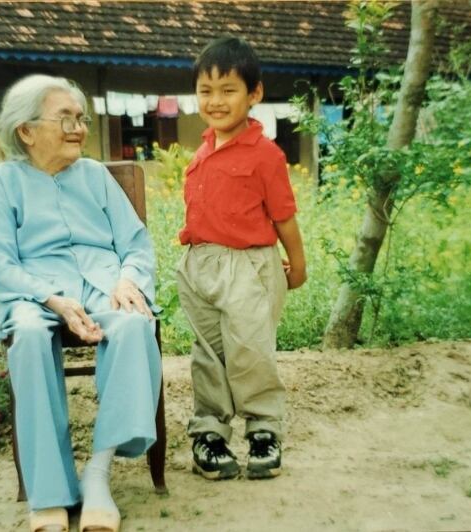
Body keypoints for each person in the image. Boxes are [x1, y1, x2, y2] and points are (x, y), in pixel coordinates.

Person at [0, 74, 161, 532]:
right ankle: (49, 494)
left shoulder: (96, 176)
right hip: (34, 292)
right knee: (28, 336)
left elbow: (136, 245)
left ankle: (98, 477)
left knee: (136, 324)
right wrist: (52, 300)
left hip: (102, 285)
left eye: (81, 119)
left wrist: (127, 281)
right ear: (26, 130)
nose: (78, 128)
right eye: (65, 119)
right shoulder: (5, 182)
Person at [176, 37, 307, 481]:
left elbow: (284, 217)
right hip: (200, 267)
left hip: (249, 267)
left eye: (228, 89)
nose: (215, 101)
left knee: (250, 353)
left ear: (255, 94)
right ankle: (209, 433)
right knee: (209, 354)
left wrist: (298, 264)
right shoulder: (201, 151)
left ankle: (264, 431)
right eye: (206, 90)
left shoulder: (266, 155)